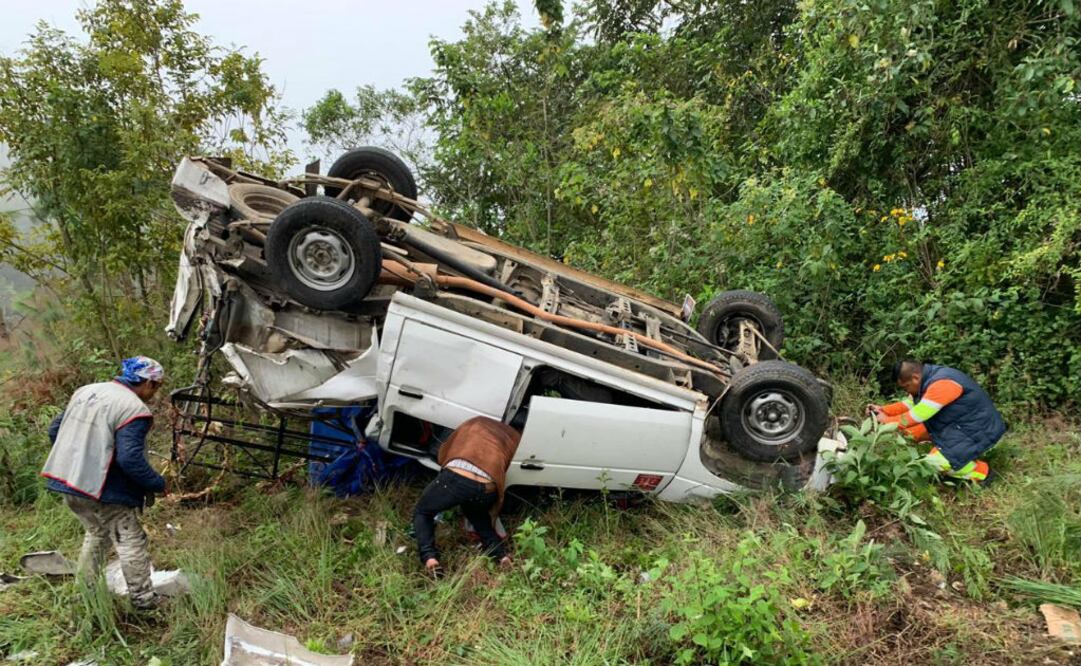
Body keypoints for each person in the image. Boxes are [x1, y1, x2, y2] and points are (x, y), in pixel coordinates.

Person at [41, 356, 167, 609]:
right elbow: (130, 459)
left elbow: (55, 429)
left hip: (66, 480)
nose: (154, 393)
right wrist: (157, 483)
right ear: (148, 383)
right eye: (156, 386)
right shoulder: (134, 409)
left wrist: (78, 458)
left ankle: (85, 592)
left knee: (97, 533)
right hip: (99, 488)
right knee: (131, 539)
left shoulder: (87, 391)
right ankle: (144, 601)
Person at [413, 416, 521, 576]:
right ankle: (502, 556)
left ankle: (430, 559)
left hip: (458, 477)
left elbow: (444, 451)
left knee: (423, 511)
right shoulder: (513, 437)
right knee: (479, 518)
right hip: (487, 486)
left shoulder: (476, 422)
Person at [869, 359, 1005, 485]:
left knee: (932, 464)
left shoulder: (942, 384)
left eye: (906, 387)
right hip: (959, 423)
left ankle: (982, 472)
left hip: (977, 428)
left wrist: (886, 421)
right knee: (910, 432)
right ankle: (954, 454)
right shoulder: (928, 380)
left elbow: (917, 415)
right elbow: (909, 405)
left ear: (915, 378)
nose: (906, 391)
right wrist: (883, 410)